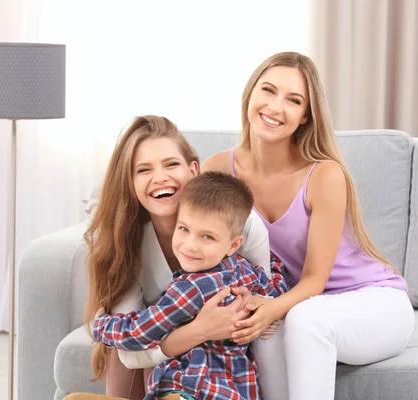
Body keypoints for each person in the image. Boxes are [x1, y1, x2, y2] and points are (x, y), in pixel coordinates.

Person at [201, 51, 415, 399]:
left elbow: (315, 279)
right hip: (302, 307)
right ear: (250, 94)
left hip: (375, 305)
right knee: (268, 329)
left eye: (293, 100)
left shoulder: (324, 175)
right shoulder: (219, 170)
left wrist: (271, 306)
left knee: (301, 319)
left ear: (304, 117)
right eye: (268, 90)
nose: (275, 106)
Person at [73, 115, 283, 400]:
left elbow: (267, 303)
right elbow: (129, 355)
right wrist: (200, 330)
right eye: (143, 170)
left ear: (193, 170)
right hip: (170, 365)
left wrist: (100, 326)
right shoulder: (128, 242)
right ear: (130, 182)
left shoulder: (240, 224)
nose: (160, 177)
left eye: (171, 164)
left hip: (212, 378)